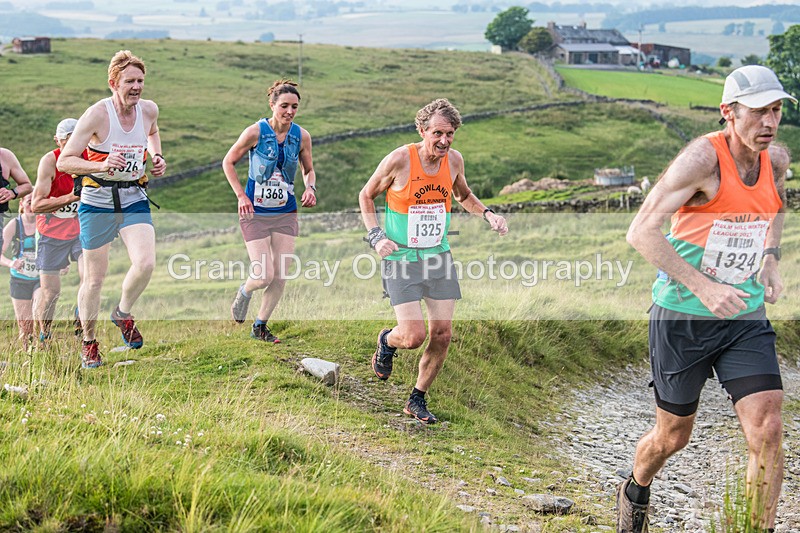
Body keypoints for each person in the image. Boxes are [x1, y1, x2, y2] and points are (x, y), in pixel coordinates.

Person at [620, 65, 792, 532]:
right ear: (728, 113)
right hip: (682, 317)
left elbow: (775, 203)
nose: (769, 122)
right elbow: (640, 232)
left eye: (776, 110)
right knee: (672, 436)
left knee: (769, 427)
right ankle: (635, 489)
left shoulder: (774, 159)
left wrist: (770, 258)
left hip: (743, 315)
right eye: (757, 112)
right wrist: (704, 286)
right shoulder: (702, 160)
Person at [358, 98, 508, 424]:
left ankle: (417, 399)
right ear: (422, 130)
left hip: (438, 256)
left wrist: (488, 214)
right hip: (401, 258)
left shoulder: (454, 161)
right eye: (437, 133)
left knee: (442, 334)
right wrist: (376, 236)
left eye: (450, 134)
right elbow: (366, 195)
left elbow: (463, 195)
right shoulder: (400, 160)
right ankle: (387, 340)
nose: (444, 141)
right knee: (412, 336)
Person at [57, 50, 166, 368]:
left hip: (133, 197)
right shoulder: (97, 115)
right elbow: (65, 160)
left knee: (145, 264)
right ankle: (89, 342)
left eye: (141, 81)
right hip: (98, 203)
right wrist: (102, 164)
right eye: (129, 81)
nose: (136, 87)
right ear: (113, 83)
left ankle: (122, 312)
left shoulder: (148, 110)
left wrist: (156, 156)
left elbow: (153, 132)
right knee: (93, 279)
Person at [224, 79, 317, 343]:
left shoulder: (302, 136)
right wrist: (241, 195)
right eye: (284, 106)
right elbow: (228, 162)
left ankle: (260, 325)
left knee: (281, 274)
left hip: (286, 212)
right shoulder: (255, 132)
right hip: (255, 212)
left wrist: (311, 188)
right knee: (263, 274)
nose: (289, 112)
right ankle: (245, 290)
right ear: (272, 104)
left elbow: (308, 169)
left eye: (295, 107)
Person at [31, 118, 86, 342]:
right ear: (57, 141)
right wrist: (72, 198)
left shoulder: (88, 159)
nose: (73, 147)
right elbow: (36, 205)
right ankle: (43, 334)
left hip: (81, 229)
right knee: (51, 292)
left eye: (78, 141)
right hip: (51, 232)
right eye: (67, 141)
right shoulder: (49, 161)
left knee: (91, 277)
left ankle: (80, 316)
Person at [1, 196, 40, 350]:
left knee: (40, 314)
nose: (32, 205)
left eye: (36, 201)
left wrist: (61, 264)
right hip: (19, 279)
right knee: (25, 325)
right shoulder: (14, 224)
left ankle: (44, 349)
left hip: (40, 278)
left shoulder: (44, 222)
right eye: (30, 202)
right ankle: (28, 356)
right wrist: (11, 263)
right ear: (22, 203)